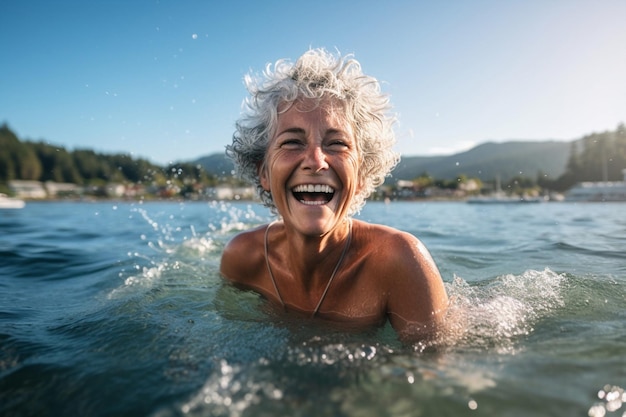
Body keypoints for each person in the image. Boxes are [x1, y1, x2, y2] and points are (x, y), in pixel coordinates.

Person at [220, 48, 449, 343]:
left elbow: (435, 376)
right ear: (263, 171)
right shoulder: (241, 259)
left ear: (363, 173)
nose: (316, 161)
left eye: (337, 143)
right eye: (292, 142)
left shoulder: (400, 262)